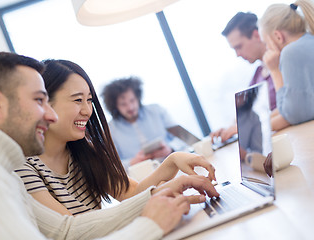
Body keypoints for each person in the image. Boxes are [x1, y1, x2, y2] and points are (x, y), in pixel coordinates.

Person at [0, 51, 219, 239]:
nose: (49, 114)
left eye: (89, 100)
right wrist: (150, 225)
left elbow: (65, 231)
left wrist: (161, 190)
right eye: (39, 100)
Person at [15, 59, 217, 217]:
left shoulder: (83, 151)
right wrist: (160, 194)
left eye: (89, 100)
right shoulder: (24, 166)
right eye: (78, 100)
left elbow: (131, 194)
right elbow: (73, 229)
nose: (87, 111)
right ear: (44, 102)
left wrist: (173, 160)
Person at [211, 12, 276, 143]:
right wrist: (229, 128)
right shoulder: (258, 74)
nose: (238, 54)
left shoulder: (281, 65)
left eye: (239, 47)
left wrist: (241, 128)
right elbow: (246, 111)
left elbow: (288, 112)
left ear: (256, 35)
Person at [101, 77, 185, 167]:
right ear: (115, 106)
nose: (130, 107)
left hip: (172, 165)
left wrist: (170, 148)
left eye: (132, 100)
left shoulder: (157, 111)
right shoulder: (110, 130)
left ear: (138, 98)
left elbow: (184, 138)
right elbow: (111, 164)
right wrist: (132, 162)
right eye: (123, 104)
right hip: (140, 175)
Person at [259, 0, 314, 131]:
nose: (266, 49)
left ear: (278, 36)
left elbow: (291, 114)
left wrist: (274, 71)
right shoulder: (308, 40)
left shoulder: (291, 52)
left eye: (266, 43)